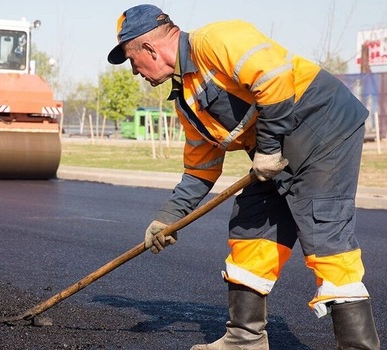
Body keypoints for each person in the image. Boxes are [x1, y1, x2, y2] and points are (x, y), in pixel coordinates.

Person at [107, 4, 379, 349]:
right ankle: (244, 339)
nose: (134, 72)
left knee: (323, 231)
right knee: (250, 227)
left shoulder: (215, 40)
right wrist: (168, 219)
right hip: (276, 152)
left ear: (149, 48)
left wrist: (266, 148)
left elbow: (274, 77)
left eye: (132, 60)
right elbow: (200, 169)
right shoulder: (186, 98)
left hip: (322, 128)